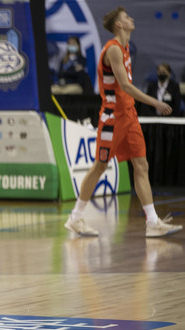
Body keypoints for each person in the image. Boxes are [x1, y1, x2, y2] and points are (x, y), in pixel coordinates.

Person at [64, 7, 183, 238]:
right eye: (127, 18)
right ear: (119, 25)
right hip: (113, 117)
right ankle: (75, 218)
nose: (132, 19)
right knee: (99, 166)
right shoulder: (113, 50)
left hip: (128, 114)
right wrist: (155, 103)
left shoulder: (126, 47)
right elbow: (126, 86)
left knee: (142, 165)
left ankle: (152, 222)